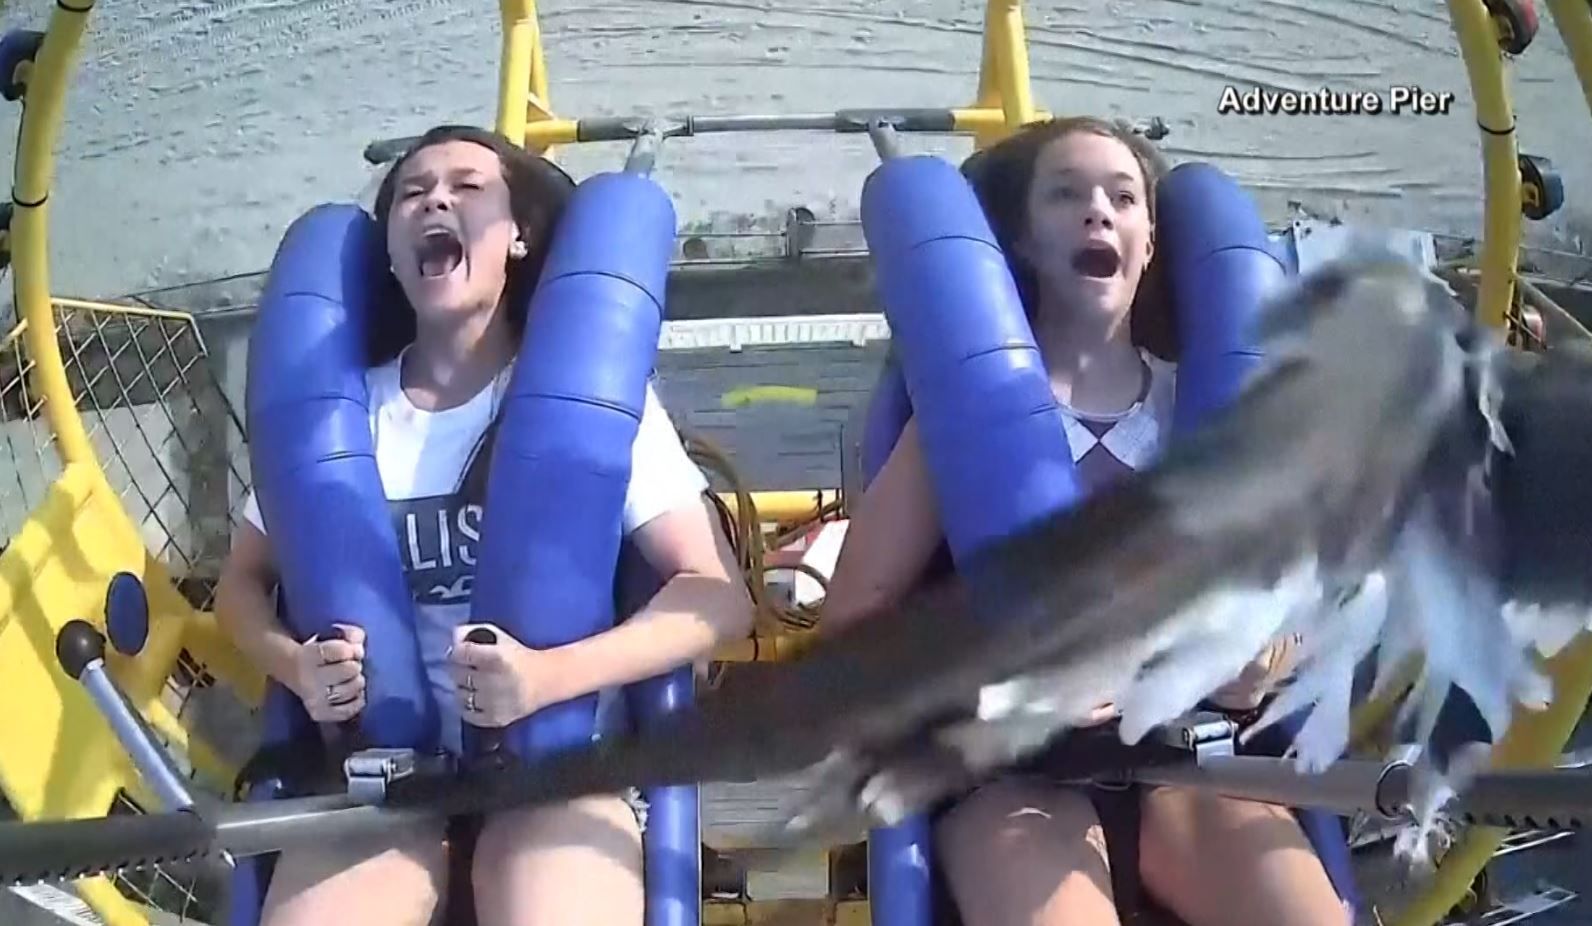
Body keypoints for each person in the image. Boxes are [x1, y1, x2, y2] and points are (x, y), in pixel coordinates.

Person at [215, 124, 754, 926]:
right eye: (411, 192)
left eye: (468, 188)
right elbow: (239, 589)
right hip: (380, 783)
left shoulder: (595, 406)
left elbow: (718, 599)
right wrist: (294, 666)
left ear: (518, 240)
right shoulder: (335, 415)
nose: (435, 198)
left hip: (551, 777)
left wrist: (547, 679)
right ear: (393, 257)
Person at [820, 116, 1345, 926]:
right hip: (1014, 777)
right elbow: (849, 623)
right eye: (1065, 195)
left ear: (1148, 241)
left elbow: (1314, 603)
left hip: (1191, 760)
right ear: (1024, 241)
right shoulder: (960, 423)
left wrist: (1268, 661)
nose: (1098, 212)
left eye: (1122, 197)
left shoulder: (1206, 413)